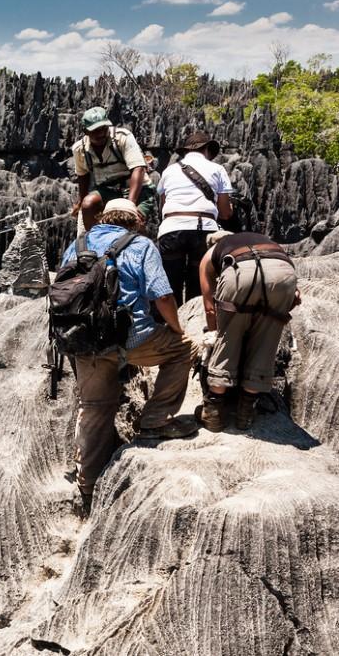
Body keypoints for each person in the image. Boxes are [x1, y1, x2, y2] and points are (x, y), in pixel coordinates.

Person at [61, 198, 199, 508]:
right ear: (134, 220)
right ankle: (155, 419)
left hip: (85, 340)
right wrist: (175, 328)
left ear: (104, 217)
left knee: (94, 407)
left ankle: (88, 487)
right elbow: (162, 295)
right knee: (183, 349)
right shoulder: (141, 244)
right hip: (131, 339)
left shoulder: (78, 243)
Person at [196, 231, 300, 431]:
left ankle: (213, 413)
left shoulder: (211, 254)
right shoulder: (265, 241)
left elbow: (210, 308)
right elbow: (295, 296)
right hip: (282, 272)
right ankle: (246, 413)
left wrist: (216, 332)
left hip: (239, 273)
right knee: (266, 342)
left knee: (229, 337)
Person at [156, 132, 234, 305]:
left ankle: (172, 327)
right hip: (204, 229)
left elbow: (162, 207)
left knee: (169, 284)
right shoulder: (217, 169)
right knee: (200, 284)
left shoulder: (168, 171)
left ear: (185, 152)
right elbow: (225, 213)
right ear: (206, 149)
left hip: (171, 228)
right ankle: (196, 324)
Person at [72, 107, 156, 232]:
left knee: (134, 224)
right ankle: (94, 241)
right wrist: (81, 203)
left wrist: (129, 205)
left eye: (103, 129)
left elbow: (138, 168)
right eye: (95, 131)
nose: (100, 134)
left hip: (137, 190)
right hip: (106, 191)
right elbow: (83, 176)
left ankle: (139, 245)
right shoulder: (80, 149)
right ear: (86, 131)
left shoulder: (123, 137)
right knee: (88, 204)